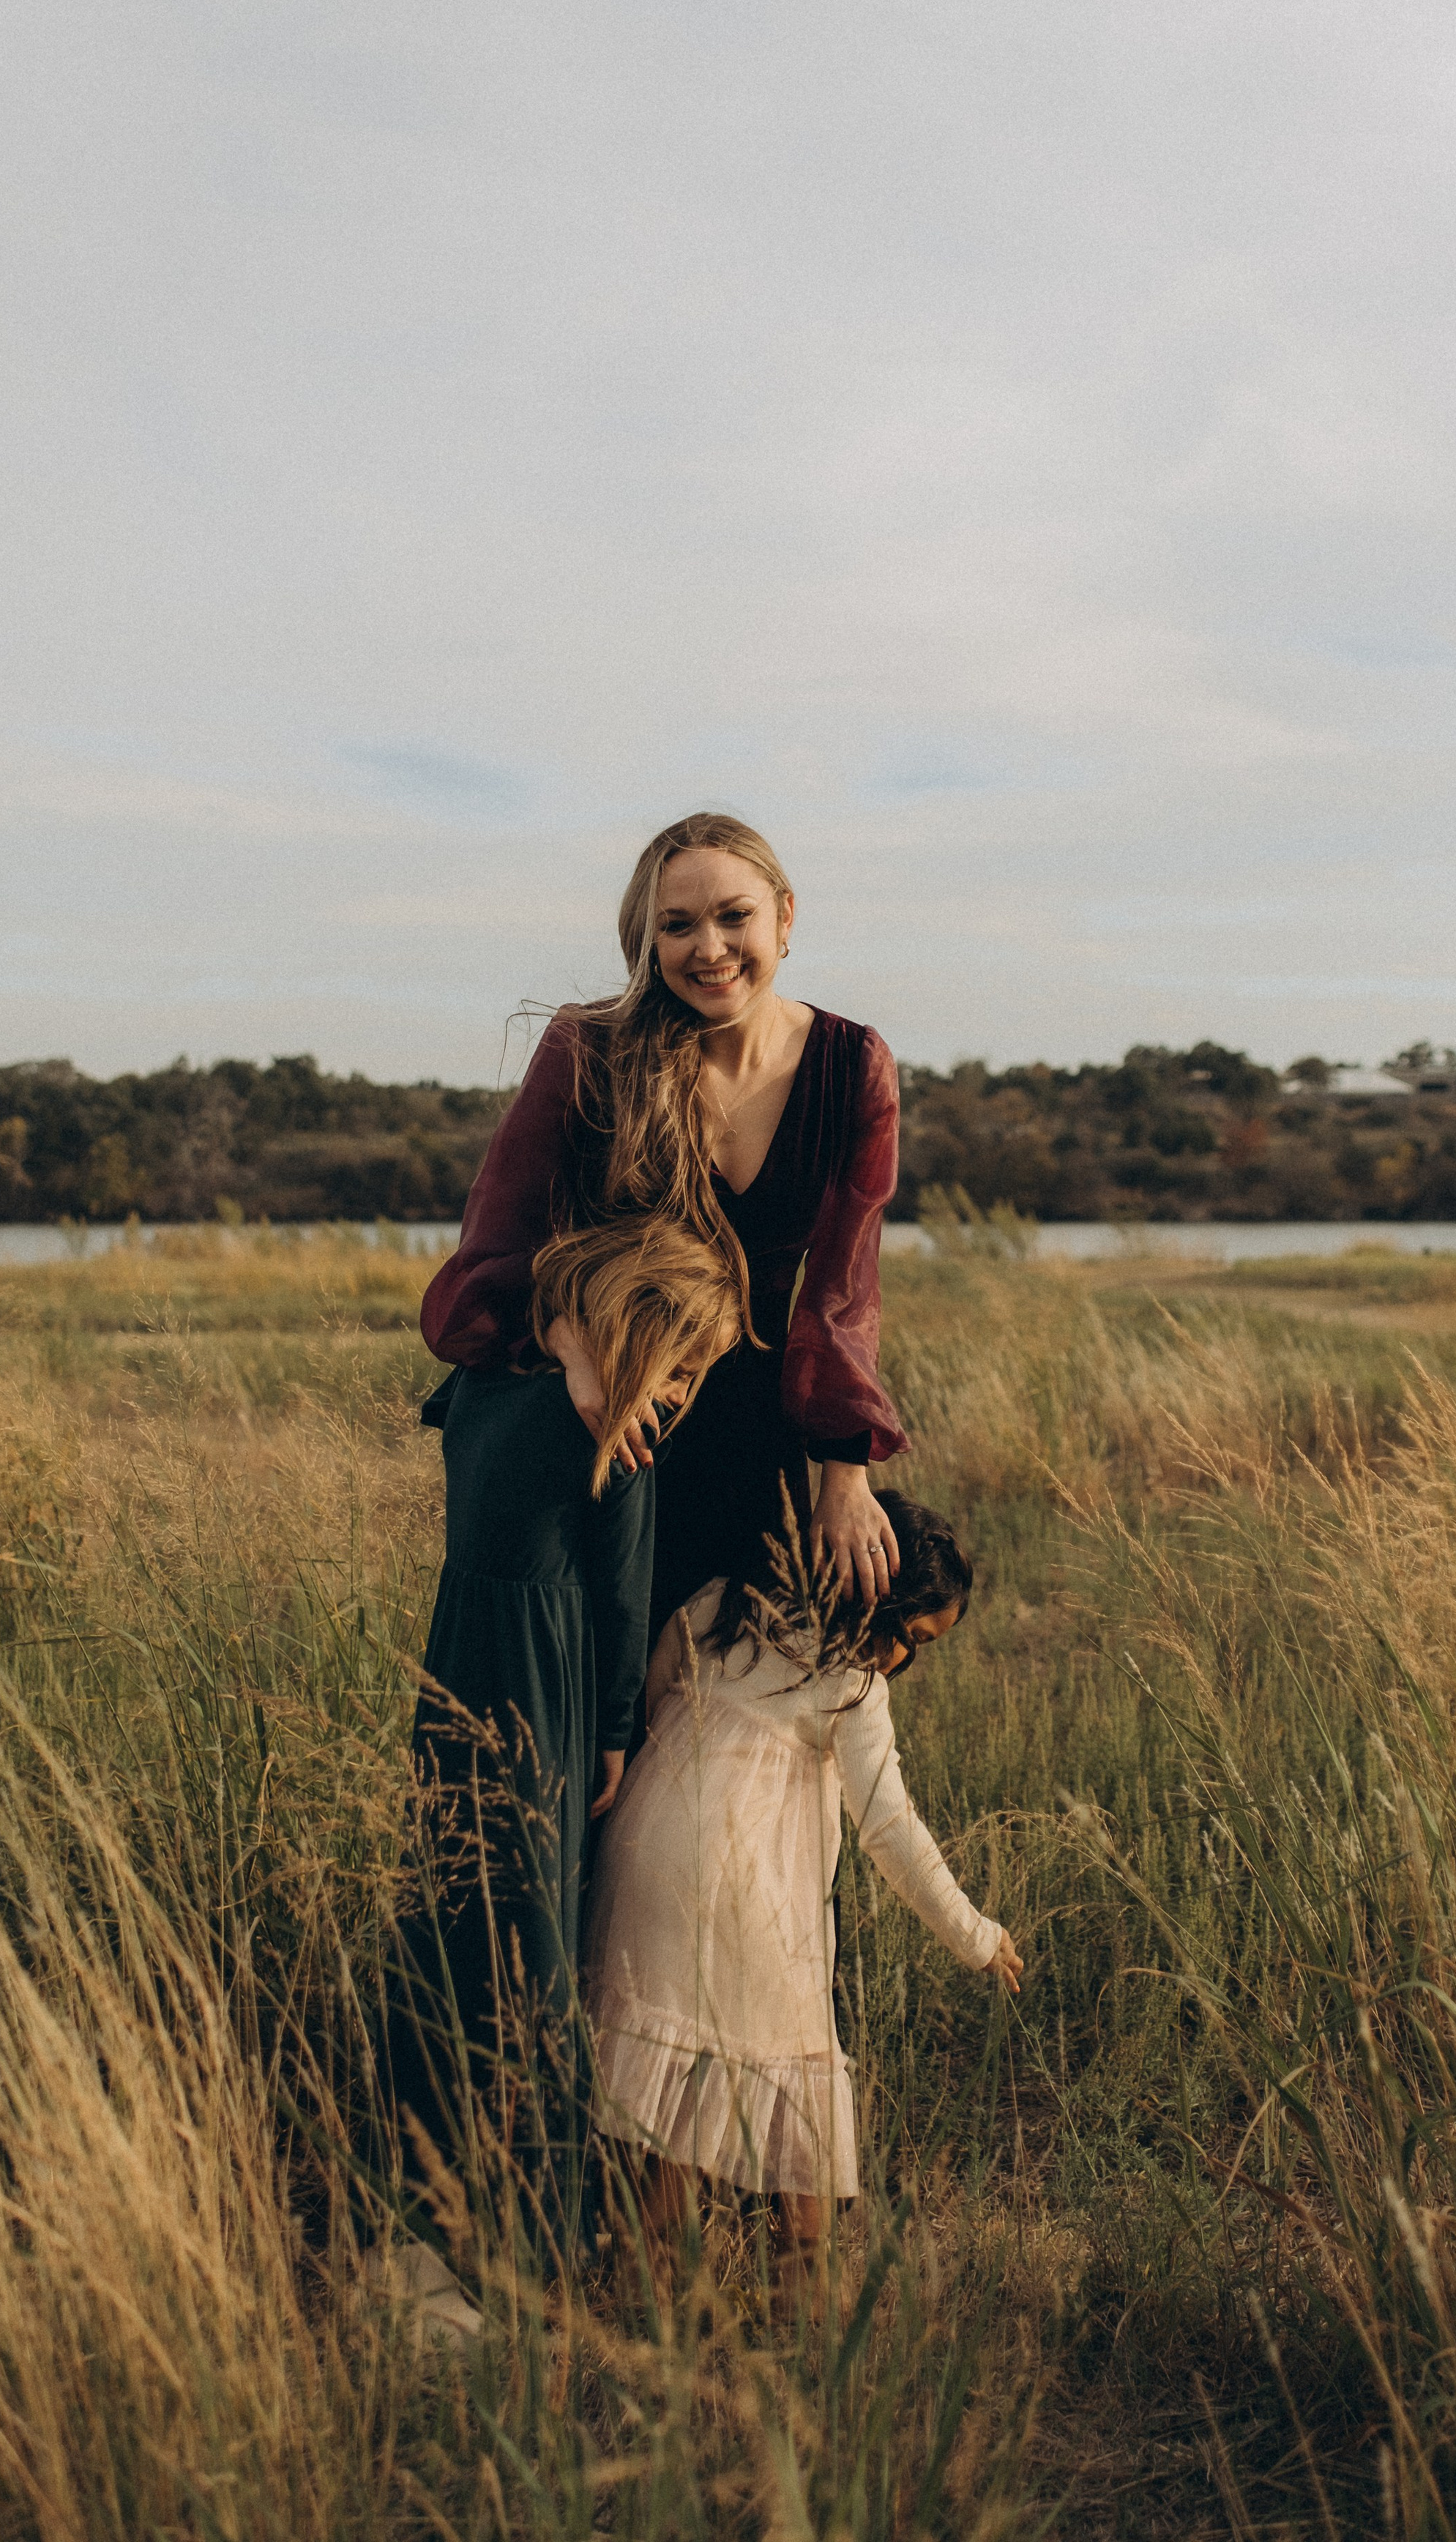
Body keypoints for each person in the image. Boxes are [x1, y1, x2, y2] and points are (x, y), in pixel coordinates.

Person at [421, 812, 908, 1641]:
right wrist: (573, 1345)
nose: (709, 948)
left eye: (734, 916)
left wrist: (844, 1473)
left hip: (754, 1443)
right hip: (604, 1417)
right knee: (595, 1697)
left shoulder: (851, 1064)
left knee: (731, 1693)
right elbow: (493, 1255)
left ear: (785, 915)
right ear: (648, 941)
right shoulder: (592, 1048)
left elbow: (840, 1293)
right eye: (677, 925)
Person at [582, 1493, 1023, 2301]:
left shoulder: (726, 1603)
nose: (905, 1661)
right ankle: (803, 2295)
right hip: (743, 1883)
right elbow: (889, 1829)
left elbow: (654, 1690)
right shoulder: (850, 1683)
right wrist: (975, 1933)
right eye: (914, 1638)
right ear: (880, 1600)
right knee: (800, 2070)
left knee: (686, 2077)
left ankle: (650, 2282)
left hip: (644, 1848)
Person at [393, 1212, 744, 2221]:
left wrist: (563, 1337)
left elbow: (455, 1386)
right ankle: (535, 2202)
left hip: (457, 1663)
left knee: (449, 1902)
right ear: (641, 1334)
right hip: (547, 1688)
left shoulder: (474, 1391)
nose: (679, 1395)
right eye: (682, 1369)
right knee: (538, 1928)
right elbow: (624, 1602)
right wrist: (615, 1734)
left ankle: (424, 2168)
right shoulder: (618, 1442)